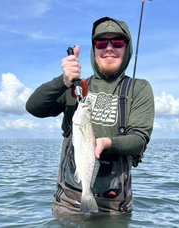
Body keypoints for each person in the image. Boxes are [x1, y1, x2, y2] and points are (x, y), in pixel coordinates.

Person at [26, 16, 155, 215]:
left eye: (118, 42)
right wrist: (63, 81)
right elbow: (33, 107)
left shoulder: (139, 88)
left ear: (127, 48)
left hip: (114, 207)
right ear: (93, 49)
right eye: (102, 42)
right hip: (68, 203)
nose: (109, 48)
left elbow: (139, 140)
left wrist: (106, 143)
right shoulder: (76, 87)